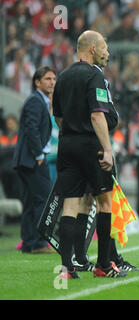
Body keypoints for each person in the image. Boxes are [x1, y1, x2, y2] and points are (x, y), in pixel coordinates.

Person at [52, 30, 123, 279]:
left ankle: (67, 268)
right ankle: (103, 265)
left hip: (67, 144)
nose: (107, 52)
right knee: (105, 202)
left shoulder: (62, 76)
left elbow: (57, 114)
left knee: (70, 204)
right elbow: (97, 115)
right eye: (104, 47)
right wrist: (107, 149)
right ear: (92, 48)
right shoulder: (94, 75)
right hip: (91, 145)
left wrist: (70, 133)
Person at [12, 66, 56, 254]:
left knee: (30, 201)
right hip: (33, 159)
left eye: (53, 79)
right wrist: (39, 155)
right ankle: (38, 243)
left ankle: (29, 243)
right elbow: (31, 129)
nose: (52, 82)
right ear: (37, 82)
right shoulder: (36, 101)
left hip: (27, 160)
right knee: (42, 199)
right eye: (47, 79)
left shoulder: (38, 101)